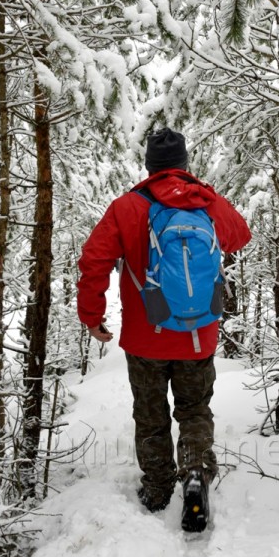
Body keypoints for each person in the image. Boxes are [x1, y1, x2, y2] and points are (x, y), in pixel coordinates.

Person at [77, 128, 251, 531]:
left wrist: (92, 315)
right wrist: (205, 195)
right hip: (197, 334)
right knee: (194, 409)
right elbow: (240, 235)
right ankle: (194, 472)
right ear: (184, 163)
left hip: (145, 336)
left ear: (149, 166)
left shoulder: (126, 207)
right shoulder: (204, 201)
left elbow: (94, 261)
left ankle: (156, 489)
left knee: (151, 416)